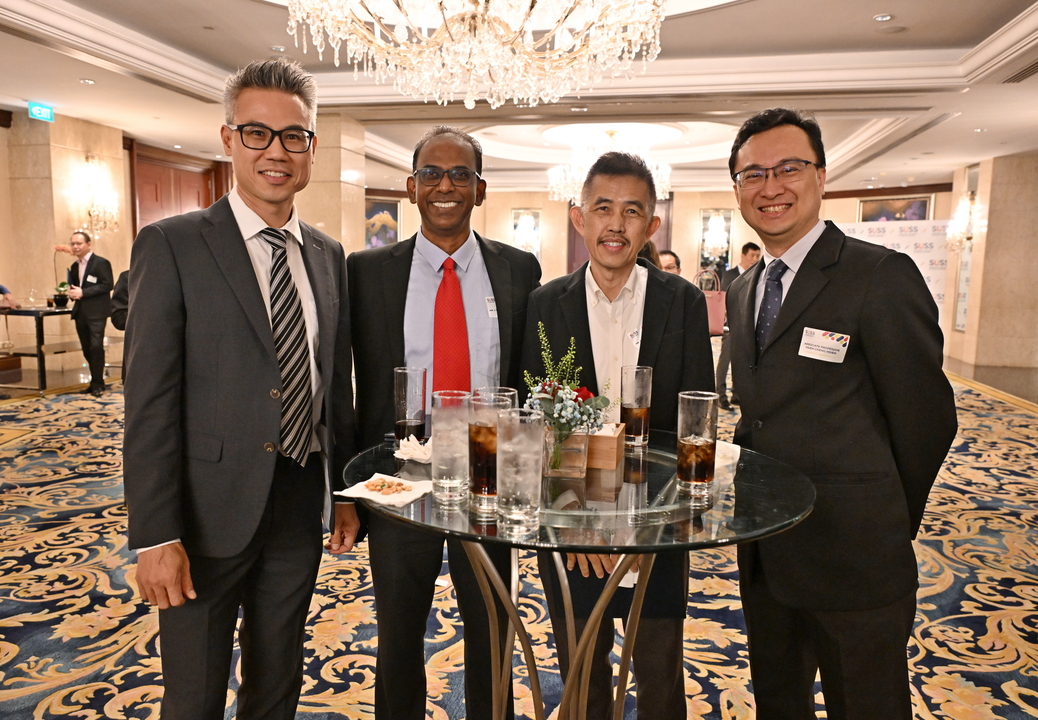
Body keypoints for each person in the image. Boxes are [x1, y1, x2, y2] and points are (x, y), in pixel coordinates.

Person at [122, 58, 358, 720]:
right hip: (202, 513)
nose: (276, 152)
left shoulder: (327, 255)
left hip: (296, 499)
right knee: (194, 694)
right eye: (257, 133)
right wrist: (155, 533)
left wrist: (342, 492)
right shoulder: (173, 246)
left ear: (312, 147)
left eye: (294, 136)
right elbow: (149, 402)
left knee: (277, 679)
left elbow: (331, 387)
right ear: (228, 139)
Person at [725, 107, 957, 720]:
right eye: (752, 174)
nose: (770, 186)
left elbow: (927, 420)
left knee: (867, 705)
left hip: (855, 555)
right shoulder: (747, 286)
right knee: (778, 700)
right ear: (738, 190)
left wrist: (882, 514)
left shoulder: (878, 275)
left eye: (789, 168)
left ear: (822, 176)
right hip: (768, 551)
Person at [347, 126, 541, 720]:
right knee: (399, 635)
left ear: (480, 190)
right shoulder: (366, 272)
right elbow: (350, 386)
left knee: (492, 632)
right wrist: (347, 491)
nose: (445, 185)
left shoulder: (519, 270)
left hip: (490, 476)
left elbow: (530, 381)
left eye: (461, 174)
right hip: (401, 475)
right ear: (410, 187)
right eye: (431, 173)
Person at [521, 152, 714, 720]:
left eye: (632, 212)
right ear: (580, 217)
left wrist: (650, 528)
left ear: (651, 226)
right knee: (581, 667)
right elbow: (538, 424)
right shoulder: (542, 304)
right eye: (602, 208)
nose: (615, 224)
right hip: (570, 524)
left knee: (659, 669)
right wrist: (575, 520)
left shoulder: (682, 302)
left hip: (657, 524)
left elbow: (693, 423)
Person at [715, 241, 760, 408]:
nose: (755, 259)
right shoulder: (730, 274)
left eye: (757, 255)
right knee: (725, 359)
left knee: (742, 360)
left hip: (749, 325)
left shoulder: (759, 273)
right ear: (743, 256)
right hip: (730, 324)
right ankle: (720, 395)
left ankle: (737, 394)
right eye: (752, 256)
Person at [67, 230, 113, 396]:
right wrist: (73, 293)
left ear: (88, 244)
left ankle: (98, 384)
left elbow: (108, 285)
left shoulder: (100, 263)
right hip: (80, 312)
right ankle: (94, 381)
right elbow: (76, 287)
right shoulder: (74, 266)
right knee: (86, 348)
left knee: (96, 347)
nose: (75, 247)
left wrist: (84, 293)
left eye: (78, 243)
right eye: (73, 244)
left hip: (97, 312)